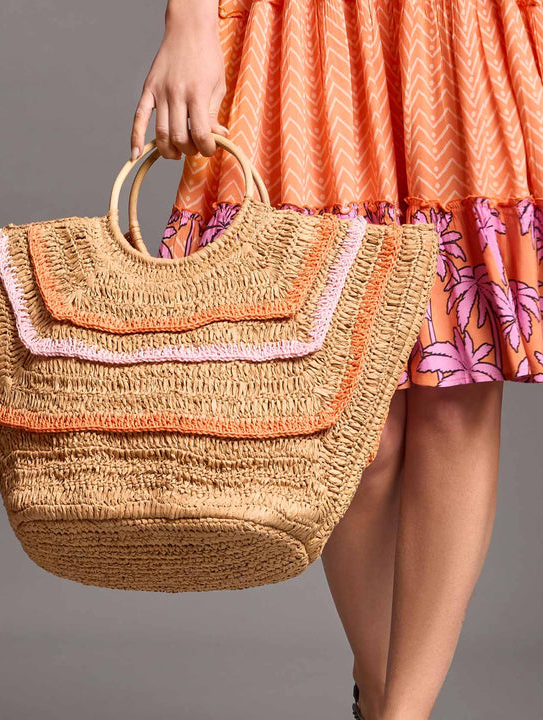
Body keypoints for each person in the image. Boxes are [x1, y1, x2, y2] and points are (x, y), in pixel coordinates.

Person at [129, 1, 543, 718]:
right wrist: (188, 19)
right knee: (358, 430)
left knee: (458, 384)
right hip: (305, 28)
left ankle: (400, 714)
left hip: (459, 26)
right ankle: (380, 694)